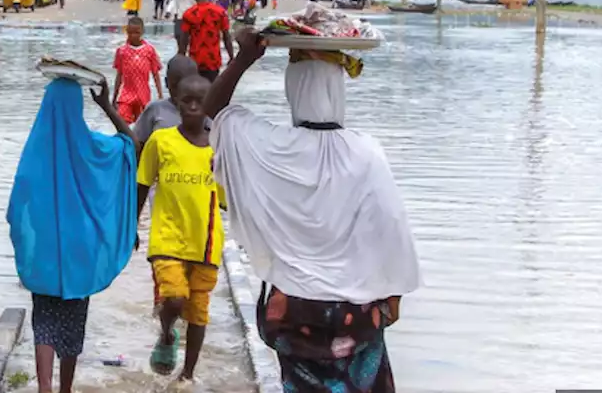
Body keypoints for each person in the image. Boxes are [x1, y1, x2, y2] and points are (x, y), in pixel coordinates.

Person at [204, 29, 422, 393]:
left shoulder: (267, 146)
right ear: (338, 91)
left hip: (291, 312)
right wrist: (393, 298)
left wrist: (244, 59)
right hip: (355, 315)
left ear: (293, 88)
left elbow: (213, 114)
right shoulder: (365, 152)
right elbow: (391, 224)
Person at [8, 77, 137, 393]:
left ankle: (44, 386)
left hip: (46, 253)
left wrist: (28, 238)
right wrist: (107, 105)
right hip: (82, 250)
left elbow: (17, 204)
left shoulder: (36, 149)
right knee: (72, 324)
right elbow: (131, 143)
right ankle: (65, 388)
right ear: (78, 108)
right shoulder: (93, 147)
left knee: (45, 322)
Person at [135, 73, 224, 381]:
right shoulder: (162, 141)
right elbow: (143, 183)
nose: (195, 107)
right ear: (177, 102)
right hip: (168, 237)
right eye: (188, 101)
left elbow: (229, 197)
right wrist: (131, 225)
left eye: (202, 101)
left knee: (199, 311)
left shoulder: (218, 147)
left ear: (211, 105)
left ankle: (187, 374)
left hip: (206, 242)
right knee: (174, 298)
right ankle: (167, 331)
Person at [130, 54, 210, 315]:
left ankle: (183, 311)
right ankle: (163, 310)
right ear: (167, 84)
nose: (183, 95)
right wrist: (132, 222)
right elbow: (136, 144)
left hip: (196, 201)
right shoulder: (157, 111)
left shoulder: (207, 115)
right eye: (176, 87)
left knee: (191, 263)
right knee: (165, 256)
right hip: (162, 194)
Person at [112, 17, 163, 124]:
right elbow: (119, 76)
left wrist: (160, 96)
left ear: (142, 32)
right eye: (130, 32)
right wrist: (114, 97)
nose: (133, 36)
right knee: (122, 123)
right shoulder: (122, 51)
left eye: (136, 32)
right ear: (126, 32)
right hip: (126, 96)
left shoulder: (149, 50)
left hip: (143, 96)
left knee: (142, 127)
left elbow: (155, 74)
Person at [179, 0, 233, 81]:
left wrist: (180, 59)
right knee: (211, 92)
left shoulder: (188, 14)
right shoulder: (220, 12)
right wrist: (231, 57)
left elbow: (184, 40)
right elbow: (226, 36)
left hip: (194, 61)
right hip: (213, 60)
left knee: (196, 92)